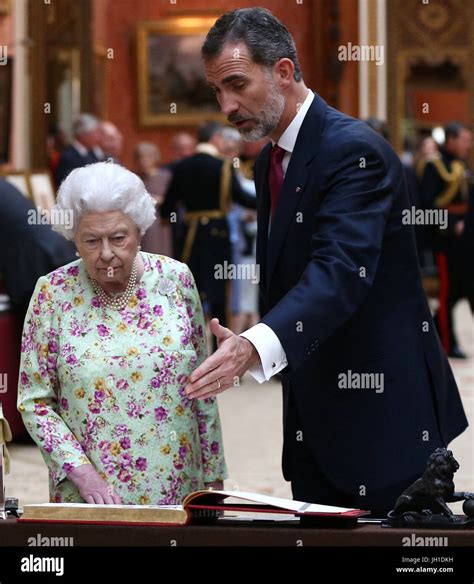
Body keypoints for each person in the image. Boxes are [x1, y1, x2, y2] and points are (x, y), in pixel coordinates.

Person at [184, 7, 468, 516]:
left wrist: (254, 345)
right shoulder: (271, 154)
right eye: (217, 91)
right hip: (316, 417)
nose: (226, 105)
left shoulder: (352, 150)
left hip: (382, 411)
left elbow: (339, 273)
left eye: (236, 84)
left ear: (284, 72)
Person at [17, 162, 227, 505]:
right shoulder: (52, 293)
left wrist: (214, 476)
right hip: (90, 493)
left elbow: (201, 385)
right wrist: (82, 474)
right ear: (73, 237)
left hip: (177, 485)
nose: (106, 254)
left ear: (139, 231)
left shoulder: (175, 279)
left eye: (118, 237)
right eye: (90, 240)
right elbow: (34, 401)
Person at [161, 121, 257, 338]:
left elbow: (169, 207)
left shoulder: (183, 166)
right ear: (215, 139)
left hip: (190, 234)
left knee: (188, 289)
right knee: (218, 293)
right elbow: (241, 197)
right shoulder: (223, 166)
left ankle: (185, 345)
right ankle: (220, 350)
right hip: (218, 235)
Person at [418, 122, 473, 358]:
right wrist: (451, 226)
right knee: (446, 294)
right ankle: (447, 345)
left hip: (466, 243)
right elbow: (427, 208)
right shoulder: (434, 167)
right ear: (450, 139)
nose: (467, 145)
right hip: (445, 242)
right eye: (464, 140)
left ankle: (437, 335)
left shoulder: (462, 165)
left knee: (464, 291)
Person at [134, 141, 173, 256]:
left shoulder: (165, 176)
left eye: (147, 157)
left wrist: (159, 200)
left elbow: (173, 200)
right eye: (139, 157)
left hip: (160, 221)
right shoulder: (135, 178)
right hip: (140, 223)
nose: (143, 161)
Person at [54, 114, 103, 187]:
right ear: (83, 135)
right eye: (95, 134)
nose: (98, 138)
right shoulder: (68, 157)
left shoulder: (93, 153)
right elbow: (64, 185)